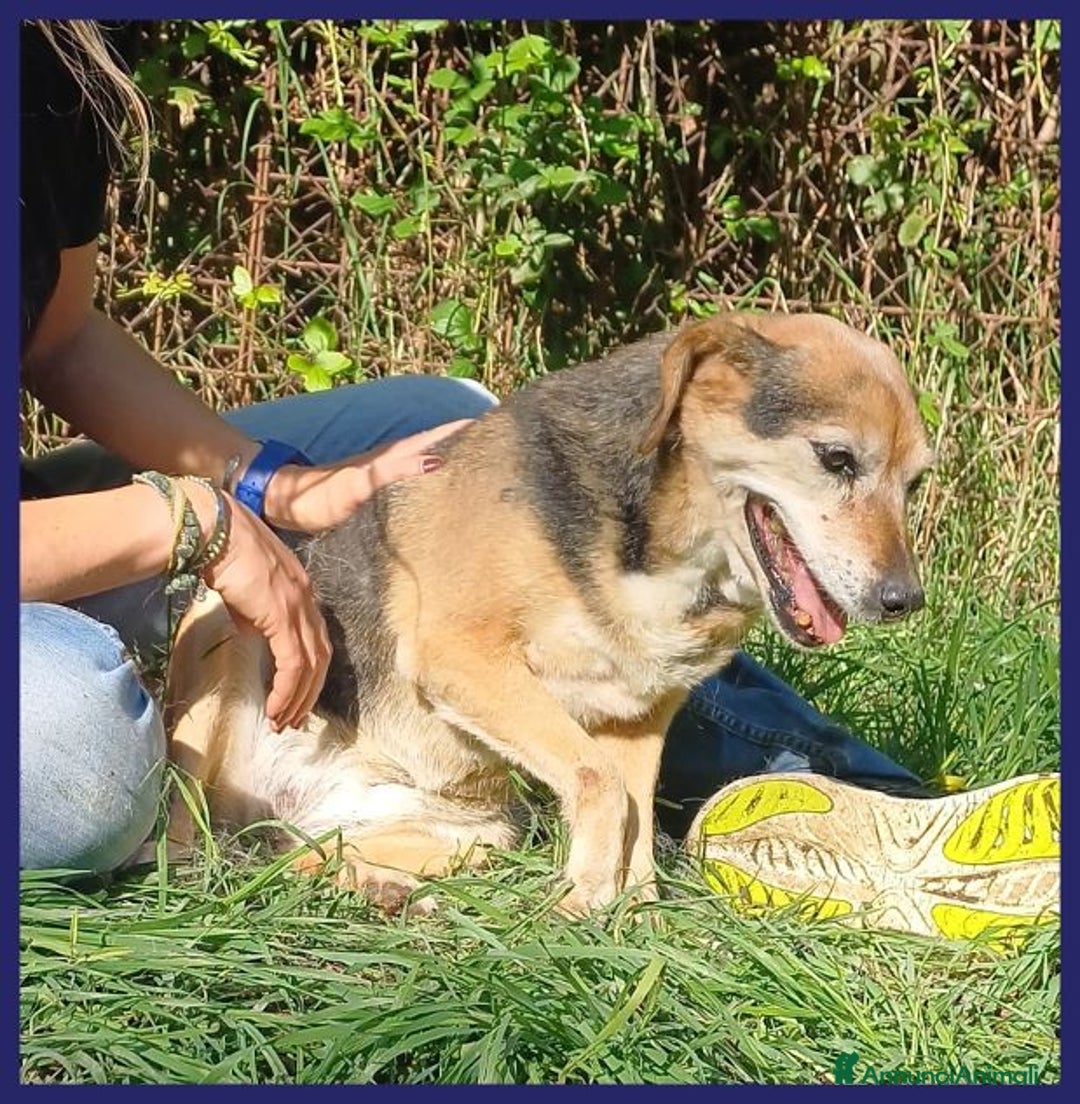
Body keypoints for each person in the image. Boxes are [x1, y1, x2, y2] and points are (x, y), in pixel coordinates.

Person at [20, 20, 1057, 940]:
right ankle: (758, 795)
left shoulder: (64, 63)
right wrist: (190, 519)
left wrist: (273, 487)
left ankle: (843, 802)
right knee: (76, 741)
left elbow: (59, 340)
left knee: (450, 428)